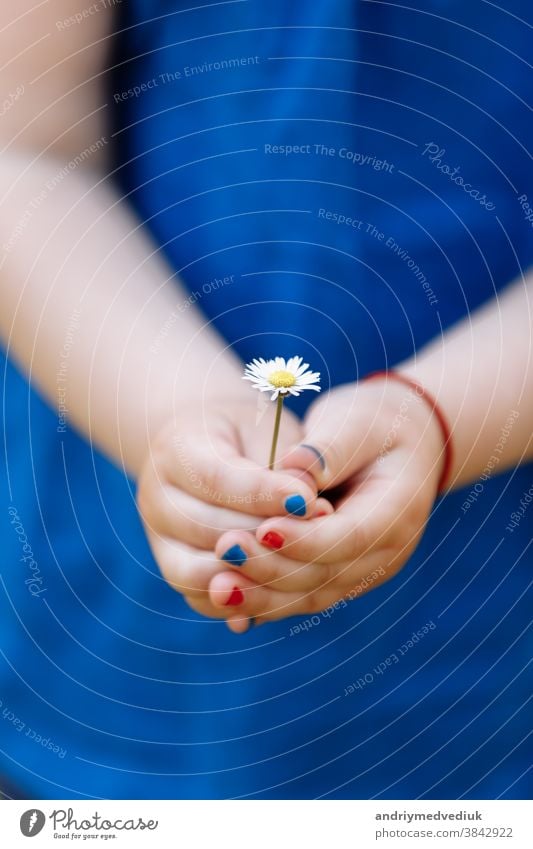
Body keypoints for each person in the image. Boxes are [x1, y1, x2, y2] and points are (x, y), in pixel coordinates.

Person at [0, 0, 531, 800]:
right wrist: (173, 419)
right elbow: (24, 144)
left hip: (488, 640)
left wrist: (443, 416)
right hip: (118, 605)